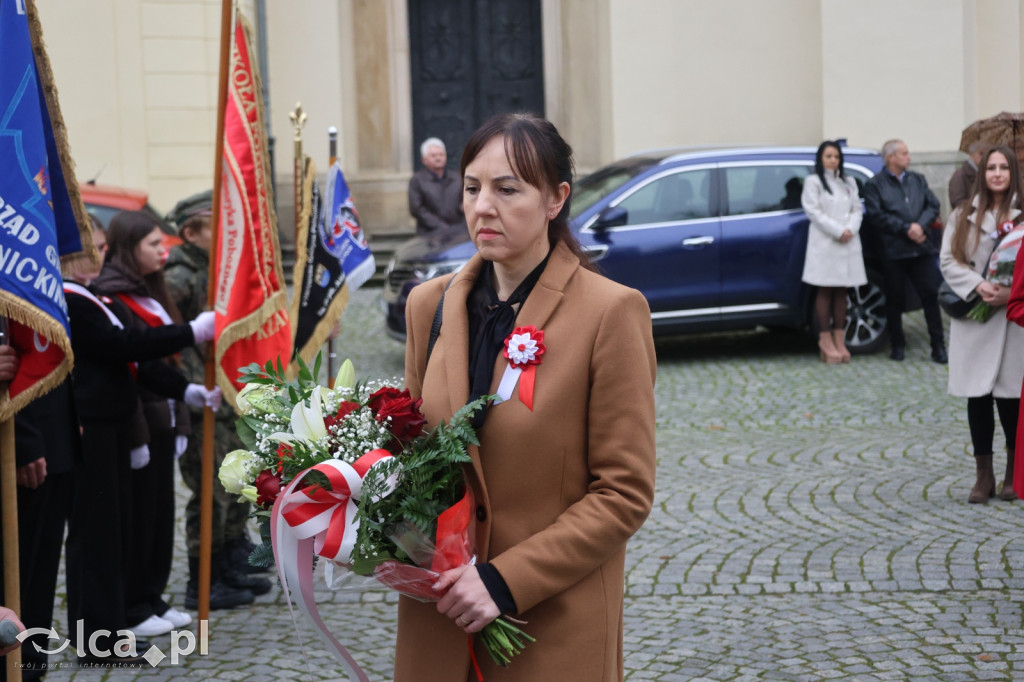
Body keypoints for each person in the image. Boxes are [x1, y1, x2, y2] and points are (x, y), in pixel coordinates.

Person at [400, 113, 657, 681]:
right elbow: (411, 456)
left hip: (549, 627)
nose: (481, 207)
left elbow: (623, 493)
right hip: (439, 623)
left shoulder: (609, 313)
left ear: (555, 199)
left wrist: (502, 581)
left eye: (507, 188)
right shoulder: (429, 306)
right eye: (472, 188)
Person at [63, 214, 219, 661]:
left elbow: (135, 361)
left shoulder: (92, 295)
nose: (101, 255)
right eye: (93, 248)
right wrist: (192, 331)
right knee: (96, 538)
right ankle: (97, 639)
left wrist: (184, 390)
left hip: (114, 427)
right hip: (90, 430)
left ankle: (109, 628)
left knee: (114, 534)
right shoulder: (74, 299)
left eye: (102, 247)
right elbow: (123, 346)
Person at [164, 206, 270, 610]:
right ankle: (201, 581)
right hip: (197, 398)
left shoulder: (214, 272)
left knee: (230, 487)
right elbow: (165, 338)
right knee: (208, 492)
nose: (226, 236)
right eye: (217, 228)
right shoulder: (180, 277)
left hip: (223, 396)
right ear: (191, 233)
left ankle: (226, 563)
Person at [939, 145, 1024, 504]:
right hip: (975, 315)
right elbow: (947, 260)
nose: (998, 173)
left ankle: (1012, 474)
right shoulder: (963, 214)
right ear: (982, 173)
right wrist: (979, 284)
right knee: (977, 396)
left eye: (1004, 167)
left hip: (1009, 319)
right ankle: (983, 474)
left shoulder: (1022, 216)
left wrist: (1011, 293)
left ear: (1013, 172)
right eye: (991, 167)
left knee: (1010, 398)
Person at [863, 139, 947, 363]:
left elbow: (933, 205)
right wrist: (906, 229)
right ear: (891, 158)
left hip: (921, 249)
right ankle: (897, 344)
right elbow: (876, 215)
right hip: (893, 251)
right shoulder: (875, 184)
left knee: (931, 294)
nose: (909, 157)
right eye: (904, 153)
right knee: (895, 298)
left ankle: (938, 346)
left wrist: (919, 226)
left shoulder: (917, 180)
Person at [801, 140, 866, 363]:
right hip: (826, 243)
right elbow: (814, 212)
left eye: (836, 157)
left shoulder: (848, 181)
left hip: (848, 243)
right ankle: (825, 338)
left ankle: (840, 337)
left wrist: (850, 228)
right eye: (828, 156)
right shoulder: (813, 182)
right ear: (820, 158)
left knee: (842, 291)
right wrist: (838, 230)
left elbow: (857, 208)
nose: (833, 160)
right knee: (825, 290)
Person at [408, 137, 464, 234]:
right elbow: (417, 209)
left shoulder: (457, 178)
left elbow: (464, 201)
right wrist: (440, 226)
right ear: (424, 160)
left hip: (457, 232)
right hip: (429, 233)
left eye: (441, 155)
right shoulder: (417, 180)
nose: (438, 158)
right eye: (433, 156)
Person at [949, 141, 988, 210]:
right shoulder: (960, 175)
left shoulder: (986, 173)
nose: (985, 157)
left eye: (987, 154)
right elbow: (957, 202)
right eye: (981, 153)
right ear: (971, 155)